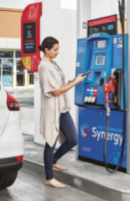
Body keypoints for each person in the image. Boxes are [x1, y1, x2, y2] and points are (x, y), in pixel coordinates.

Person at [38, 37, 86, 188]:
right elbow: (56, 91)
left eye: (58, 49)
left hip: (62, 108)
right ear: (46, 49)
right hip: (53, 110)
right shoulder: (44, 66)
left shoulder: (53, 63)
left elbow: (60, 84)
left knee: (73, 139)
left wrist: (73, 80)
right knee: (50, 142)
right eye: (55, 49)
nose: (58, 52)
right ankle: (49, 178)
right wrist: (76, 83)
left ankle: (53, 160)